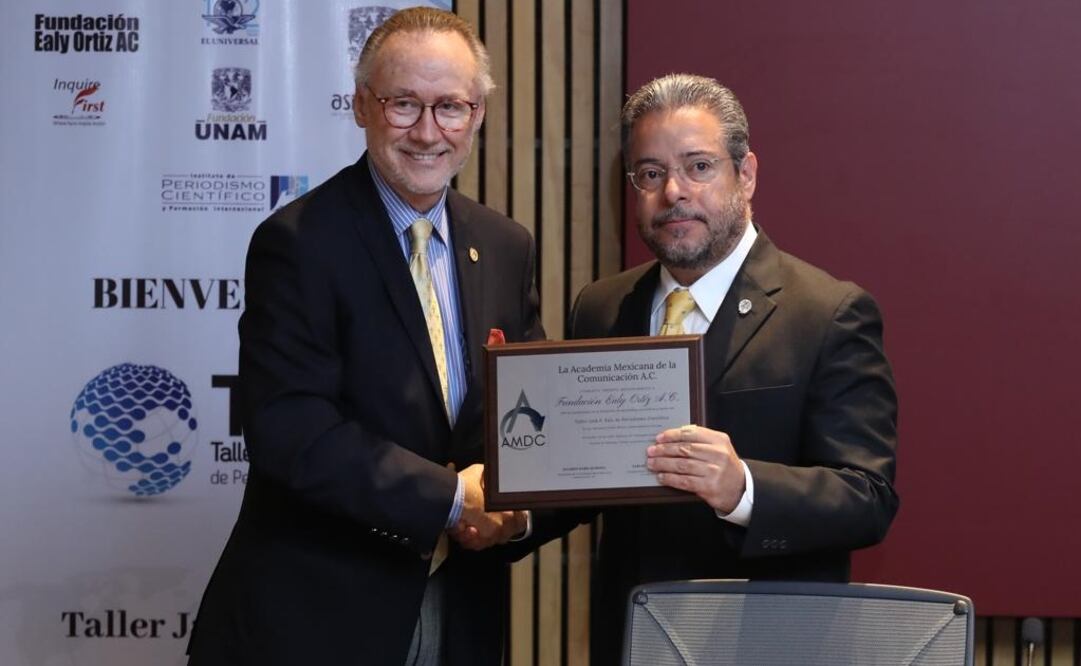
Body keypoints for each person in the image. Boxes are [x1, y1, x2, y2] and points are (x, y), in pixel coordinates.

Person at [187, 8, 542, 665]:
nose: (428, 132)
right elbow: (291, 430)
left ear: (478, 115)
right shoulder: (297, 243)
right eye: (403, 103)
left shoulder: (504, 245)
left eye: (451, 107)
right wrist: (451, 497)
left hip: (459, 611)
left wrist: (521, 509)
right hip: (319, 618)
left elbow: (526, 416)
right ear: (359, 106)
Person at [538, 73, 900, 663]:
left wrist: (743, 489)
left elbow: (868, 496)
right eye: (651, 173)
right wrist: (509, 516)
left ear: (747, 174)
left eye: (699, 167)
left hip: (764, 644)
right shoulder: (602, 308)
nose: (674, 191)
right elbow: (586, 470)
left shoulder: (828, 313)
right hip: (629, 640)